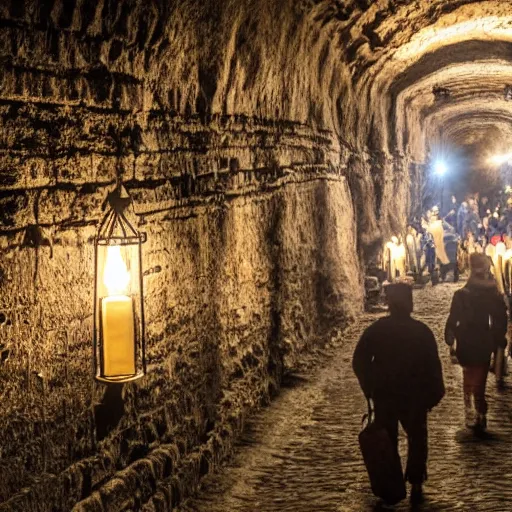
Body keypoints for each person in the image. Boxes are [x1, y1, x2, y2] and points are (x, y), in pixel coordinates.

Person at [353, 283, 445, 504]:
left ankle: (389, 484)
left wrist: (369, 386)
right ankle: (415, 480)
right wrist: (434, 394)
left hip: (386, 395)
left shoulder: (377, 330)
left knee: (388, 439)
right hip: (415, 396)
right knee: (417, 438)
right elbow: (433, 365)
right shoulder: (422, 332)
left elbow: (359, 361)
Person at [445, 253, 507, 432]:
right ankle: (476, 410)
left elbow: (453, 317)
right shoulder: (489, 294)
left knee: (472, 376)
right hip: (478, 339)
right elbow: (499, 318)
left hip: (470, 339)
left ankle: (474, 409)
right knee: (475, 376)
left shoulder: (466, 294)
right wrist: (498, 339)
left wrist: (450, 335)